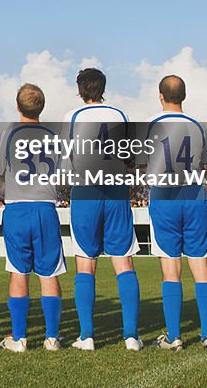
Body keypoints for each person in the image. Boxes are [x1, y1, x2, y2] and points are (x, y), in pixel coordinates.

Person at [66, 67, 142, 351]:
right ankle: (131, 336)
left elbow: (65, 159)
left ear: (80, 89)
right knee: (123, 260)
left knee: (85, 261)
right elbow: (131, 155)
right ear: (103, 88)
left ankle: (87, 336)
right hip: (115, 188)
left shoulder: (73, 116)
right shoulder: (119, 115)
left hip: (85, 190)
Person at [144, 75, 207, 352]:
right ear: (183, 96)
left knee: (170, 268)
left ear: (160, 96)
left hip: (164, 197)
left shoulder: (151, 125)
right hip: (194, 195)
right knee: (201, 266)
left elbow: (142, 163)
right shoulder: (197, 126)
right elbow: (206, 162)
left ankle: (174, 336)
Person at [0, 84, 66, 352]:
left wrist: (5, 191)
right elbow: (65, 177)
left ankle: (19, 338)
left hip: (17, 209)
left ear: (17, 105)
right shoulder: (56, 136)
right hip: (45, 207)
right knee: (49, 272)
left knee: (18, 271)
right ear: (42, 106)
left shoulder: (7, 134)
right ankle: (52, 338)